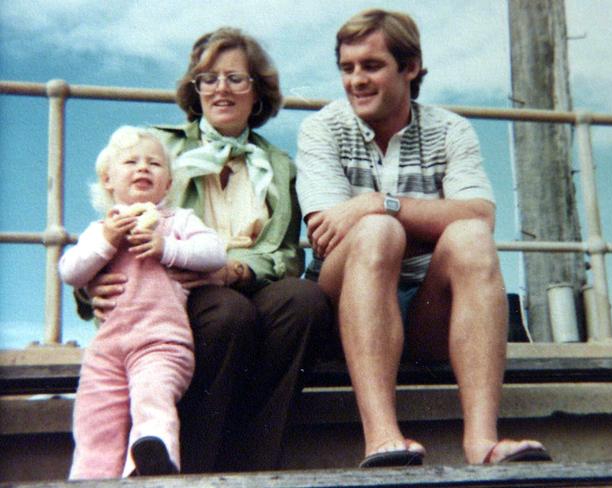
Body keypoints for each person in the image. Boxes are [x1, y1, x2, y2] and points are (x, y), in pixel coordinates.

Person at [295, 8, 552, 467]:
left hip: (424, 313)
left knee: (468, 237)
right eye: (347, 68)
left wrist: (380, 202)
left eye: (371, 66)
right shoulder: (323, 129)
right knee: (376, 234)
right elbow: (328, 234)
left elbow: (479, 215)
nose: (356, 80)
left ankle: (482, 442)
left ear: (409, 67)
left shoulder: (450, 129)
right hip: (343, 309)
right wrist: (412, 222)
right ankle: (381, 437)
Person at [79, 27, 332, 472]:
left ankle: (258, 468)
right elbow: (108, 223)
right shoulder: (160, 147)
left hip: (246, 278)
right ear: (195, 90)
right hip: (177, 290)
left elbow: (287, 256)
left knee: (304, 301)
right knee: (227, 313)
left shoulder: (279, 166)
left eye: (236, 78)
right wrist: (88, 290)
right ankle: (193, 468)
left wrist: (236, 270)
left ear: (258, 93)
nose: (221, 89)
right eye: (209, 78)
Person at [61, 126, 227, 479]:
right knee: (95, 418)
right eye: (131, 162)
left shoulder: (176, 221)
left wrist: (167, 247)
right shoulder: (101, 229)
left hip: (161, 343)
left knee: (153, 400)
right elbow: (70, 272)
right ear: (108, 179)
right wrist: (107, 240)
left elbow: (215, 254)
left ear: (167, 183)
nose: (143, 168)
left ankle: (150, 465)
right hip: (107, 349)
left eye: (154, 163)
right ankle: (89, 478)